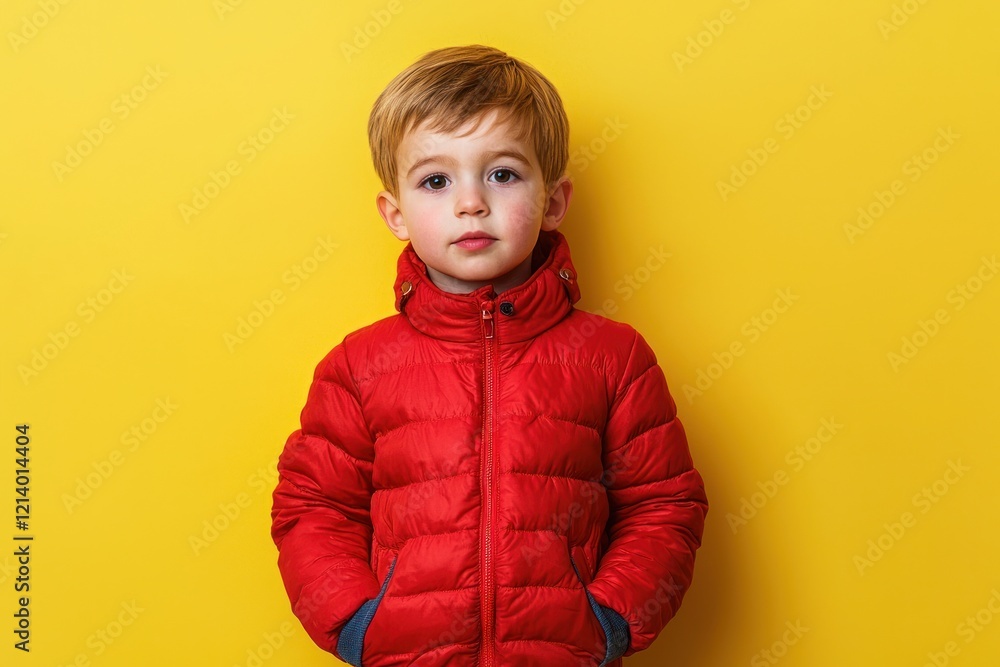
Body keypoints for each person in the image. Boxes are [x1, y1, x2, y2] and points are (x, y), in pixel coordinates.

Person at [270, 44, 708, 667]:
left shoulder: (614, 358)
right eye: (436, 181)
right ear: (395, 214)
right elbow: (314, 507)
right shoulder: (357, 368)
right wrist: (356, 623)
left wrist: (609, 619)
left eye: (502, 174)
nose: (471, 202)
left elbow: (663, 504)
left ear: (553, 201)